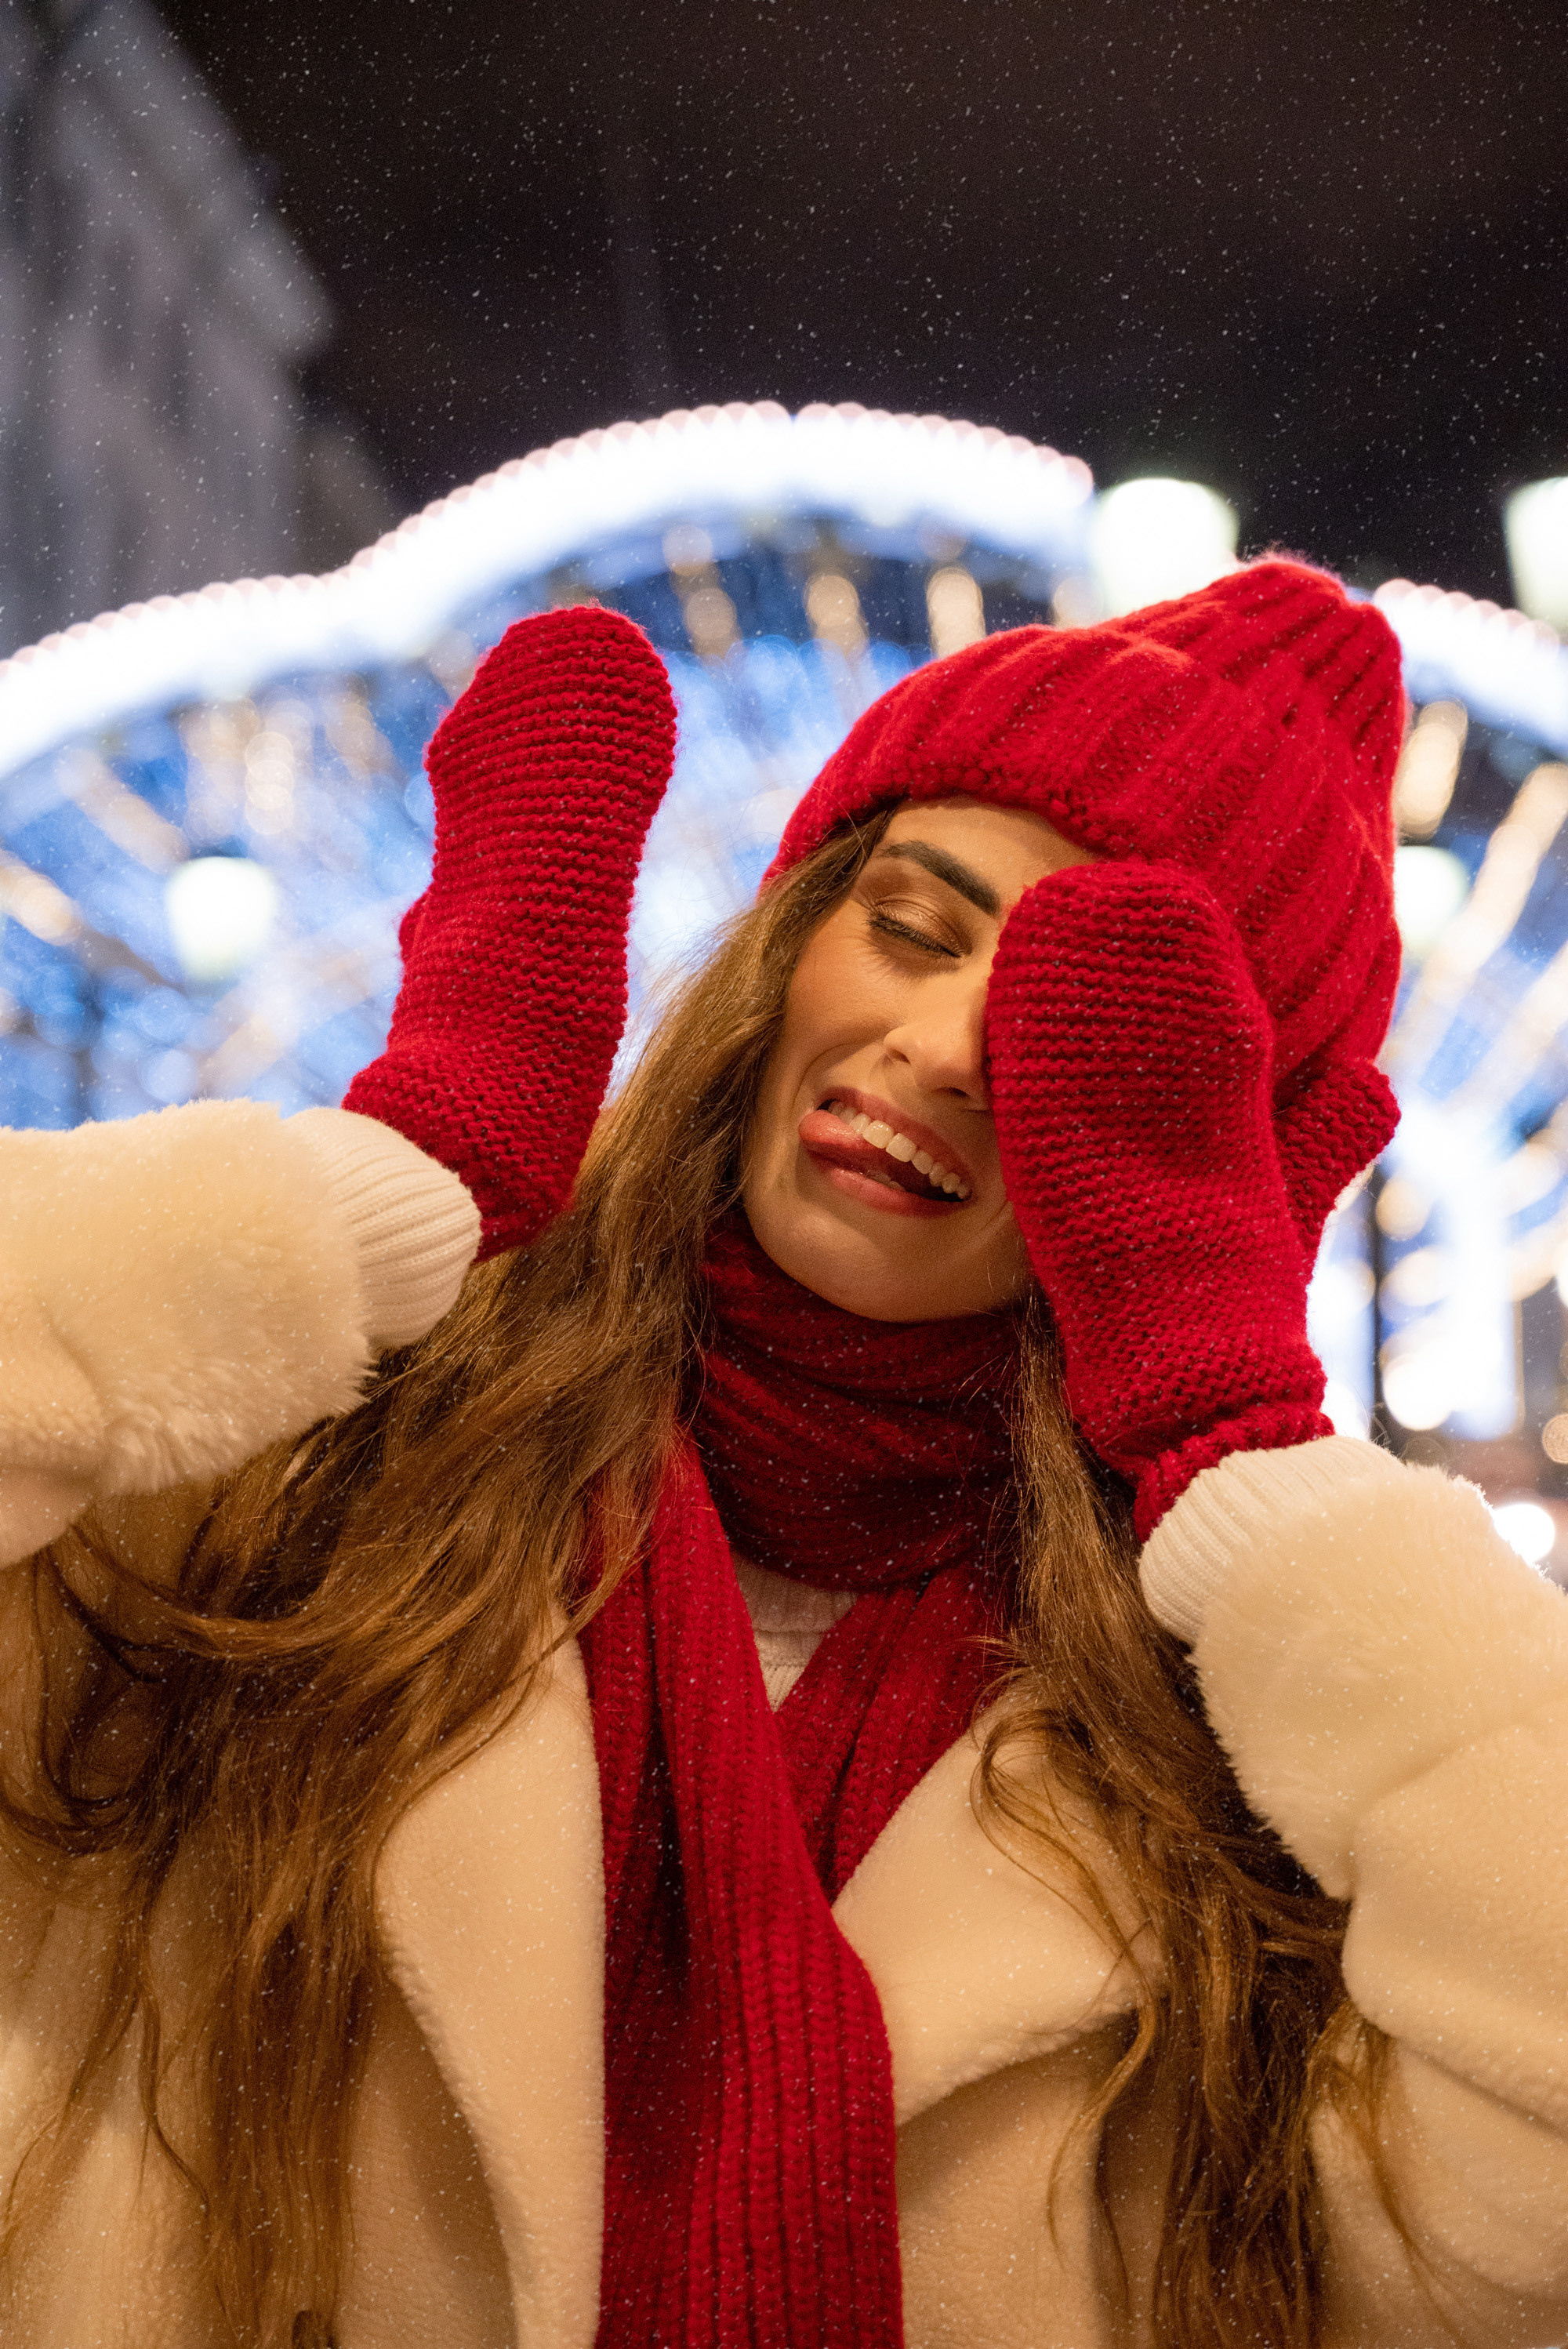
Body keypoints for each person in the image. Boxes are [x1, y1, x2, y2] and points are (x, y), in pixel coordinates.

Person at [0, 560, 1565, 2349]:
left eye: (1087, 1032)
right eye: (911, 924)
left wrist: (1238, 1442)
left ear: (1236, 1165)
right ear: (787, 937)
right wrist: (388, 1193)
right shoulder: (283, 1484)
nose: (949, 1046)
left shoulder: (1238, 1767)